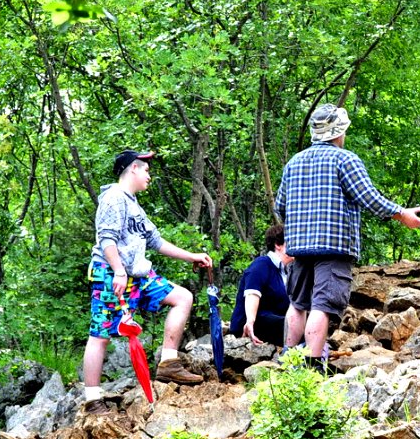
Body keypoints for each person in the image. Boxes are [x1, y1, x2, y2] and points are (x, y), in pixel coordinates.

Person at [275, 104, 420, 371]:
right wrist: (402, 214)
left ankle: (288, 359)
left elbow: (280, 206)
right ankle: (311, 366)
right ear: (338, 132)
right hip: (333, 247)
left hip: (299, 247)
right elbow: (369, 198)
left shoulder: (293, 163)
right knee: (322, 304)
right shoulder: (345, 160)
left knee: (297, 304)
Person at [83, 150, 213, 415]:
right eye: (145, 170)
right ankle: (92, 399)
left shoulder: (134, 205)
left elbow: (156, 242)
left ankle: (168, 363)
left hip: (140, 275)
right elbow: (106, 239)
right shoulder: (113, 198)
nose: (149, 176)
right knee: (101, 335)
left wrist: (192, 257)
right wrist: (119, 271)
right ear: (132, 168)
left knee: (183, 297)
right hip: (111, 273)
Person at [228, 224, 293, 346]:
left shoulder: (286, 271)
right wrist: (250, 321)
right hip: (253, 322)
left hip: (273, 320)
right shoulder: (261, 265)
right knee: (293, 326)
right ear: (278, 245)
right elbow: (252, 293)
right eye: (292, 242)